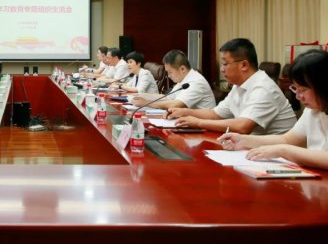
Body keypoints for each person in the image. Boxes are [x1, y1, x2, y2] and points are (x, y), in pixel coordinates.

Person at [219, 49, 328, 169]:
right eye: (295, 89)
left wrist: (283, 151)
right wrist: (242, 140)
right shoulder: (312, 110)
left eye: (303, 90)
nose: (298, 96)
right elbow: (287, 139)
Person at [167, 38, 296, 134]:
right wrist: (185, 112)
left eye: (225, 64)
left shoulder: (263, 88)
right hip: (253, 147)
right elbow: (215, 114)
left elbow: (243, 126)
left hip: (279, 156)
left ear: (244, 65)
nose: (222, 69)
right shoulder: (238, 86)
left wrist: (199, 123)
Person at [131, 49, 215, 109]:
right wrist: (141, 95)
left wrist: (145, 103)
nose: (168, 76)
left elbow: (176, 104)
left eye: (170, 72)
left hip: (203, 127)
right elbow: (168, 98)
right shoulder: (184, 79)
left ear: (182, 69)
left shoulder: (196, 82)